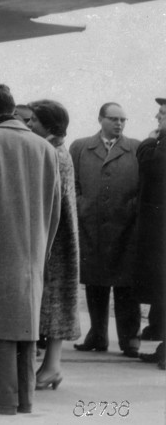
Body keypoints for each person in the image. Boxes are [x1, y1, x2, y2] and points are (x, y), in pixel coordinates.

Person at [0, 84, 60, 416]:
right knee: (25, 325)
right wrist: (44, 248)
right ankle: (24, 398)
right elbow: (55, 209)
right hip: (34, 250)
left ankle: (2, 397)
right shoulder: (45, 147)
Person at [70, 102, 142, 357]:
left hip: (125, 228)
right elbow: (71, 182)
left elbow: (145, 185)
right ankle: (97, 335)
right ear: (100, 119)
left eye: (123, 119)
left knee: (126, 285)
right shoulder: (80, 147)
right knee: (94, 283)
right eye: (113, 119)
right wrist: (82, 205)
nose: (119, 124)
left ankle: (130, 339)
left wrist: (132, 207)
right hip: (91, 227)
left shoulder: (136, 148)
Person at [27, 100, 81, 390]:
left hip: (54, 239)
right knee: (54, 302)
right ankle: (51, 367)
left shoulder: (52, 153)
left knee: (51, 301)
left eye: (34, 120)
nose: (29, 124)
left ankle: (51, 368)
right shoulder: (57, 150)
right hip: (60, 238)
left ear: (49, 124)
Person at [132, 97, 165, 369]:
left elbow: (152, 163)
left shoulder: (156, 144)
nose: (157, 117)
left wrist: (149, 141)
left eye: (162, 114)